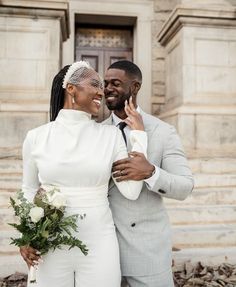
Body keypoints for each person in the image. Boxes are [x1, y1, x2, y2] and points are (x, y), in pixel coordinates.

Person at [19, 61, 148, 287]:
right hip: (50, 244)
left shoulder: (111, 136)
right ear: (71, 88)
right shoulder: (36, 137)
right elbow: (29, 189)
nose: (102, 91)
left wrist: (139, 138)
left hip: (100, 244)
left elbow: (131, 191)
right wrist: (27, 235)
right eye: (95, 84)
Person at [103, 60, 194, 287]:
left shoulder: (163, 132)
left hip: (147, 255)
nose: (107, 89)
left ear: (135, 87)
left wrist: (151, 172)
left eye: (115, 83)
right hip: (103, 254)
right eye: (105, 83)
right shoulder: (95, 132)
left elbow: (185, 186)